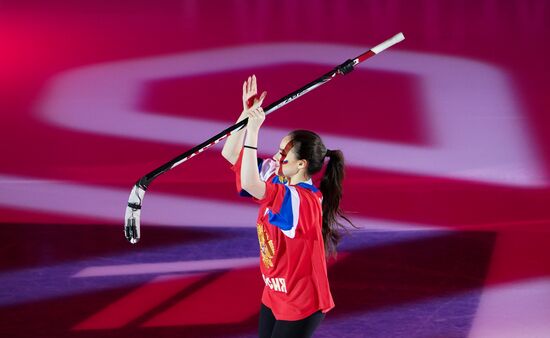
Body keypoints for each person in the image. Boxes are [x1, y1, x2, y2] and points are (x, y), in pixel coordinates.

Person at [221, 75, 354, 338]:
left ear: (302, 164)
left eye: (284, 155)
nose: (277, 157)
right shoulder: (278, 176)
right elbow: (231, 154)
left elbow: (249, 181)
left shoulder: (301, 200)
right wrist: (244, 118)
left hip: (302, 302)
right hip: (275, 292)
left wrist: (254, 132)